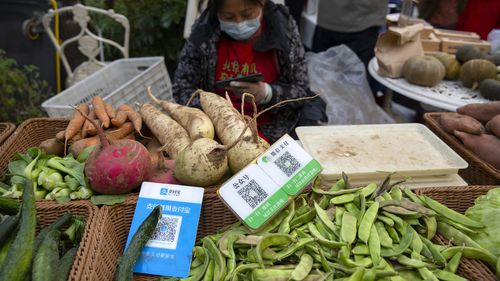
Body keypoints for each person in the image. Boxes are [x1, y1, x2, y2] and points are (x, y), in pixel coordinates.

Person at [173, 0, 325, 143]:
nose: (239, 23)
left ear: (262, 3)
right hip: (217, 133)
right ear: (216, 11)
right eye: (228, 17)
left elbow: (302, 90)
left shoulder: (283, 29)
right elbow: (181, 89)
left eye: (247, 14)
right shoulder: (203, 34)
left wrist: (267, 93)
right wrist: (218, 109)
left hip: (276, 131)